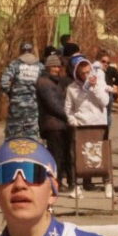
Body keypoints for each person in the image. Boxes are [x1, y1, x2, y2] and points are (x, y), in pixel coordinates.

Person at [65, 55, 112, 194]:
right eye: (83, 73)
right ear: (77, 73)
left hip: (99, 123)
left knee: (101, 154)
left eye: (88, 72)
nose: (86, 75)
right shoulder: (72, 88)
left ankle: (107, 182)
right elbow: (68, 108)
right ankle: (77, 185)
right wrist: (73, 120)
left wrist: (94, 88)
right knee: (79, 155)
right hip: (81, 125)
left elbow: (105, 102)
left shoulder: (99, 83)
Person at [36, 54, 73, 191]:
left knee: (63, 155)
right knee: (56, 155)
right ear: (48, 67)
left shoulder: (56, 82)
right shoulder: (44, 83)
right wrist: (69, 115)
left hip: (61, 124)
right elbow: (53, 105)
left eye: (58, 66)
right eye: (54, 66)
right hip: (52, 124)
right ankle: (54, 182)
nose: (57, 69)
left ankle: (61, 181)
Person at [0, 41, 44, 137]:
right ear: (32, 51)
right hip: (33, 105)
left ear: (20, 51)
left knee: (13, 135)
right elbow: (44, 85)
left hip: (17, 105)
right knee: (32, 135)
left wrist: (11, 94)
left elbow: (4, 82)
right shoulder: (39, 66)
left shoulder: (15, 65)